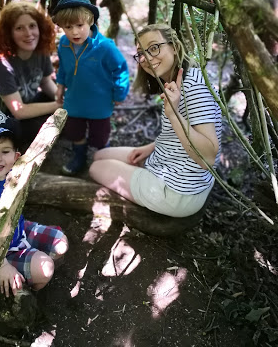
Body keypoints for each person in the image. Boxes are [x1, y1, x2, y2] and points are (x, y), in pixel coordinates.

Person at [89, 23, 222, 218]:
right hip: (166, 162)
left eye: (153, 47)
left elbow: (208, 158)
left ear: (175, 47)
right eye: (141, 53)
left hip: (177, 192)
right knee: (100, 155)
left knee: (95, 167)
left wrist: (173, 114)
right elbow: (178, 135)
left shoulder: (194, 87)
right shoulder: (181, 77)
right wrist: (152, 147)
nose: (146, 58)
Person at [0, 109, 69, 296]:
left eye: (5, 151)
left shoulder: (11, 174)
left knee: (61, 242)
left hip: (17, 229)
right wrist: (1, 266)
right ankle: (25, 290)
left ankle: (29, 262)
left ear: (16, 157)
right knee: (45, 270)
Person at [52, 0, 130, 176]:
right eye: (68, 27)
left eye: (79, 25)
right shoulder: (64, 44)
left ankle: (103, 158)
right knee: (75, 131)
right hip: (74, 101)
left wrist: (119, 93)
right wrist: (60, 86)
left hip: (99, 103)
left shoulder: (105, 47)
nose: (74, 32)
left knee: (100, 136)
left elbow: (120, 68)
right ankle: (79, 157)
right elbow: (63, 67)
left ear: (90, 22)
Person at [0, 1, 60, 149]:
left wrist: (62, 98)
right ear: (8, 33)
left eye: (32, 26)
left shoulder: (40, 51)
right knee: (45, 125)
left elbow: (46, 82)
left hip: (25, 105)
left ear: (40, 27)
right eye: (19, 28)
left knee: (67, 106)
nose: (28, 34)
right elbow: (19, 112)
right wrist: (60, 106)